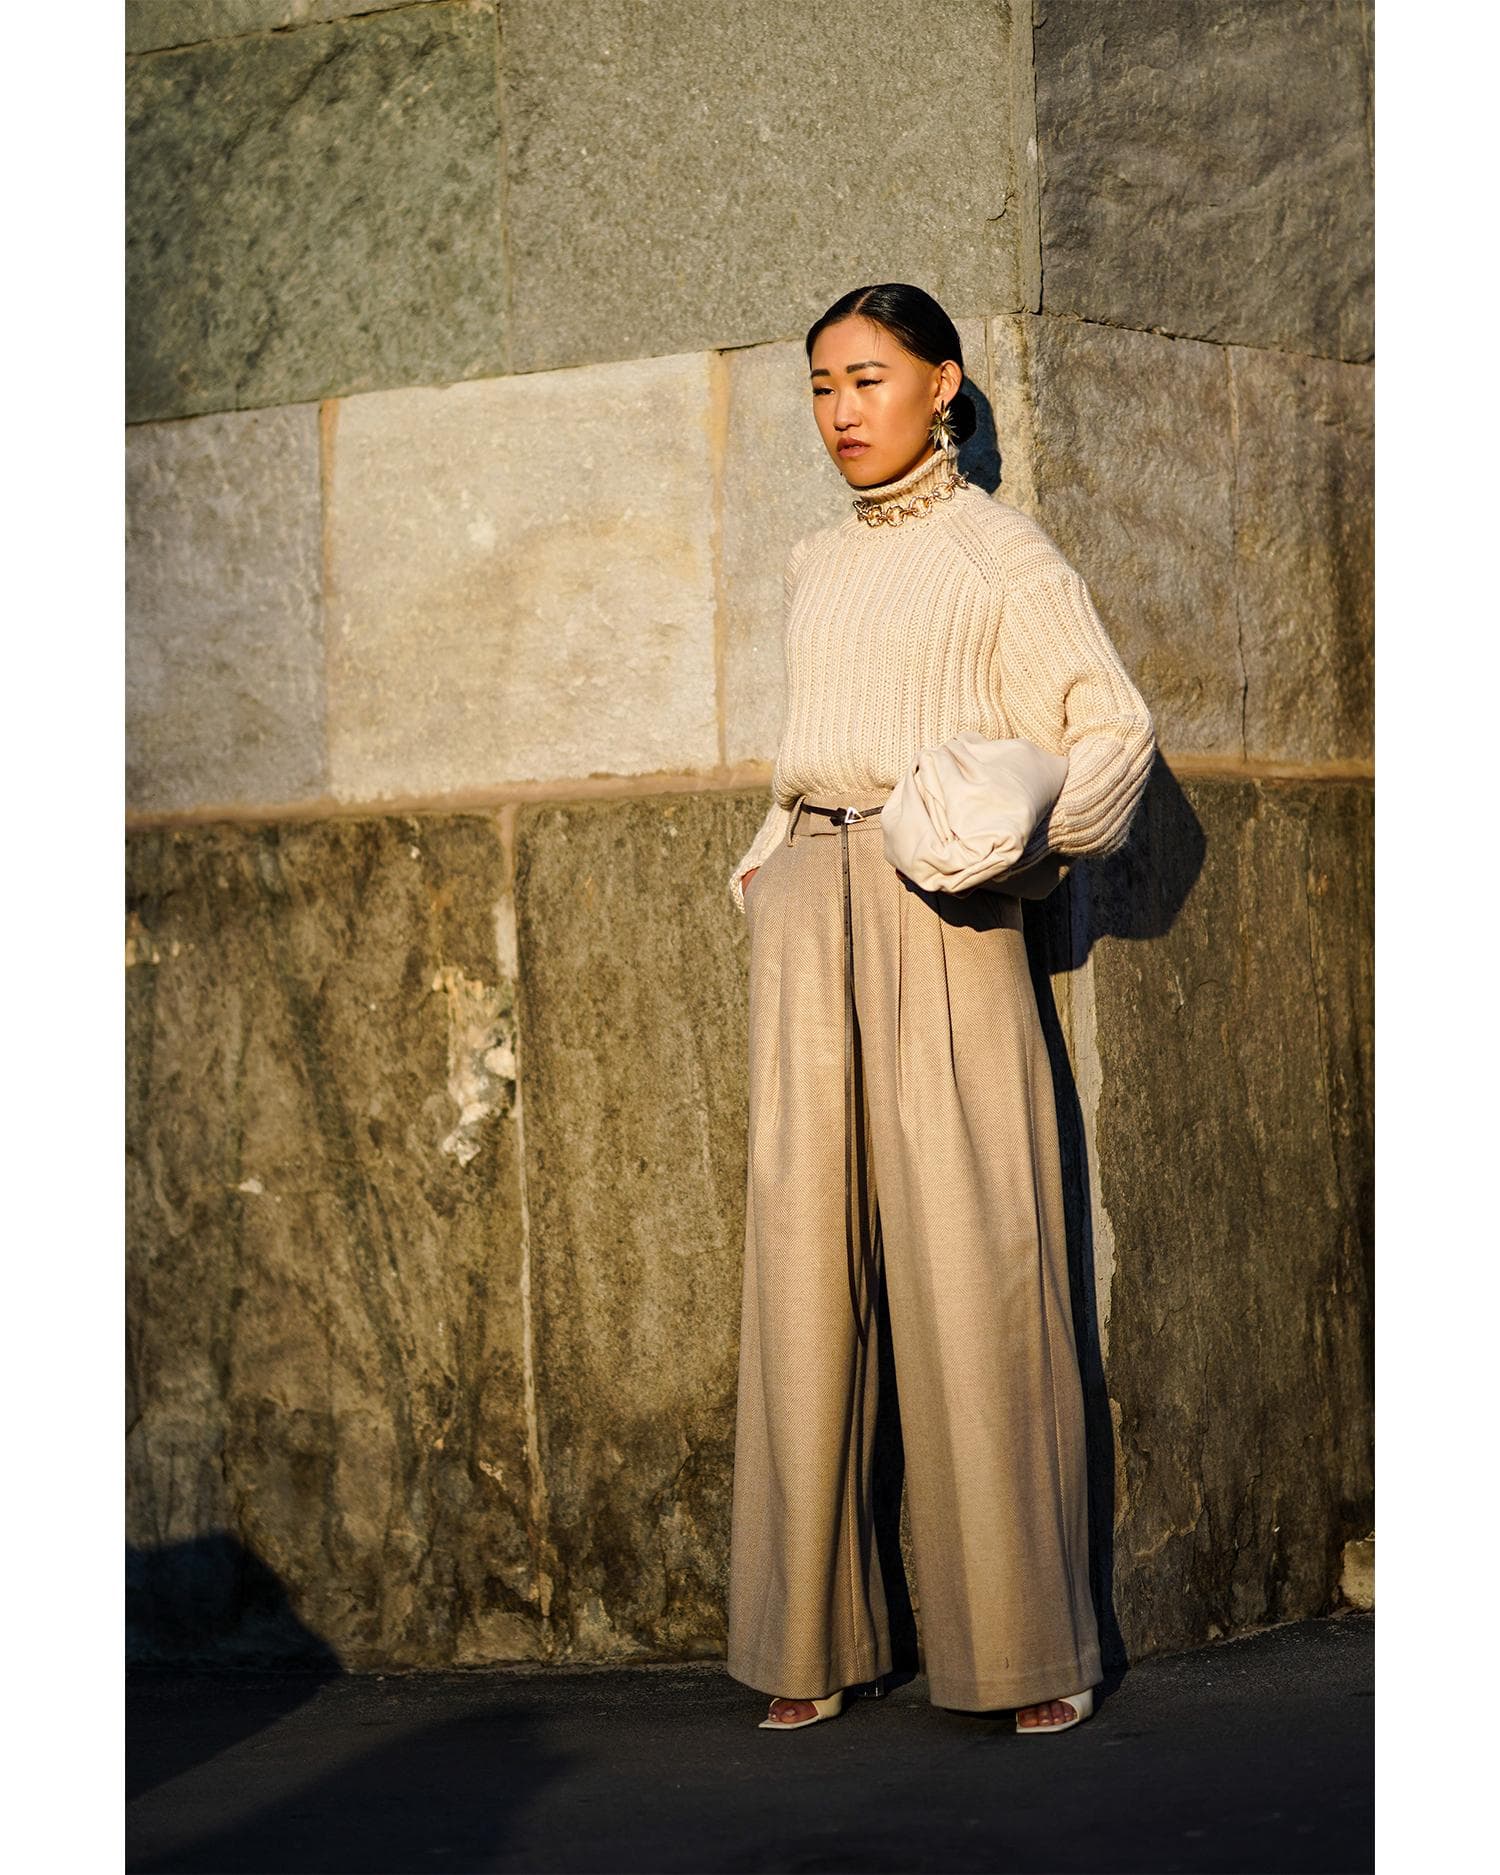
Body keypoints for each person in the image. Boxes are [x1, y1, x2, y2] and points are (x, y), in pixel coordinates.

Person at [724, 283, 1155, 1737]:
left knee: (979, 1264)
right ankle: (811, 1637)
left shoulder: (999, 553)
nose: (842, 411)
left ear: (943, 386)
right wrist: (774, 848)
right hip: (809, 906)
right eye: (822, 386)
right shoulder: (812, 561)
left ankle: (1028, 1646)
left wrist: (1026, 851)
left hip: (942, 910)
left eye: (869, 379)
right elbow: (816, 739)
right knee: (803, 1271)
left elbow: (1111, 726)